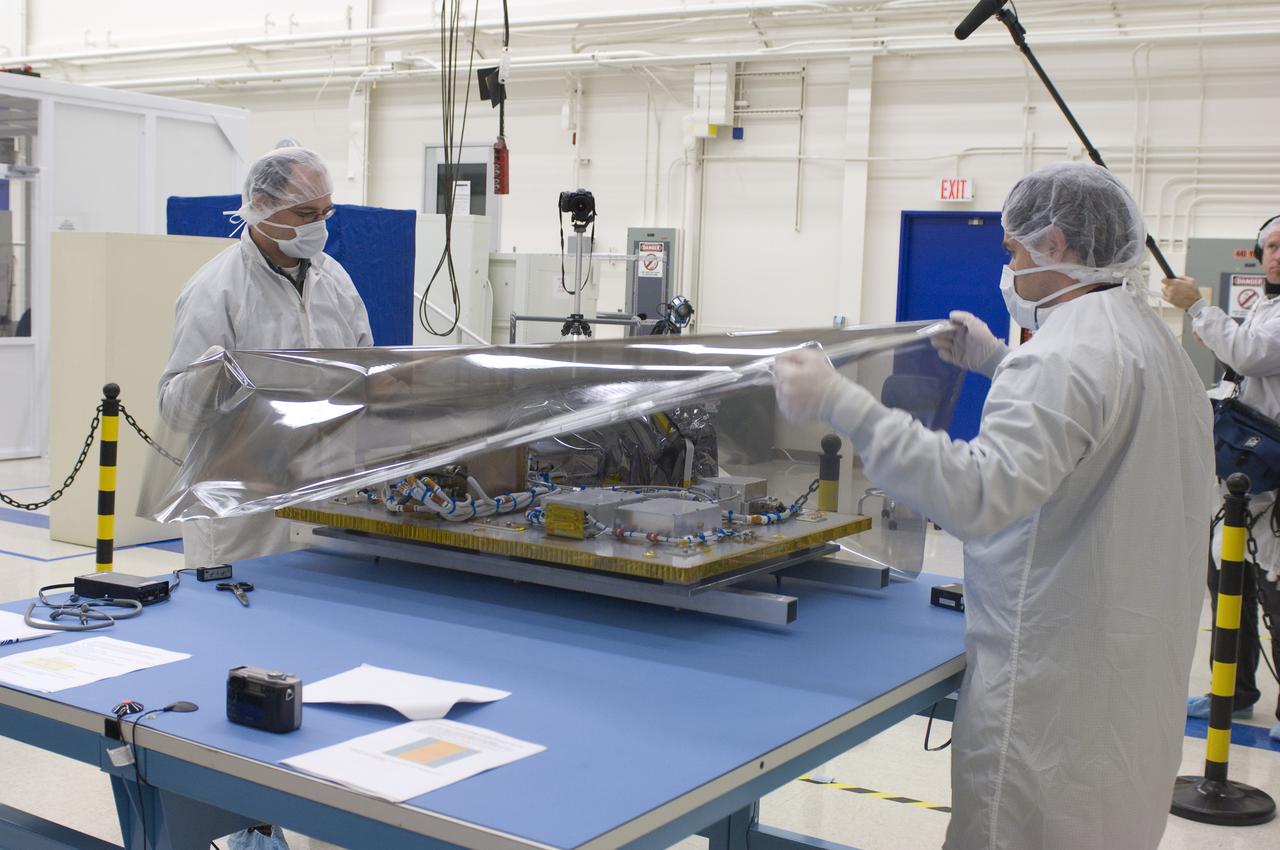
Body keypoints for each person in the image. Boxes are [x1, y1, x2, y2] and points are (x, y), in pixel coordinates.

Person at [775, 162, 1213, 850]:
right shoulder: (1151, 344)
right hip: (1131, 675)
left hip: (1049, 690)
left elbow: (976, 495)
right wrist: (996, 362)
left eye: (1012, 250)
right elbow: (1088, 431)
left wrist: (839, 401)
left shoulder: (1062, 357)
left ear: (1056, 244)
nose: (1006, 267)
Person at [1163, 215, 1280, 743]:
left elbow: (1249, 354)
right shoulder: (1265, 306)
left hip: (1274, 480)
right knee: (1228, 580)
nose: (1278, 254)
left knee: (1275, 593)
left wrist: (1196, 306)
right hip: (1245, 479)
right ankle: (1232, 691)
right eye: (1272, 246)